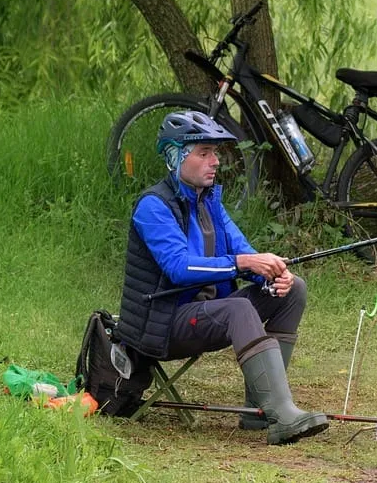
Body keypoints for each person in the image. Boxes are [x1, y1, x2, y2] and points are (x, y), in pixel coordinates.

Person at [116, 110, 328, 445]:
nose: (215, 161)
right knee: (238, 309)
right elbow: (179, 267)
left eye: (215, 152)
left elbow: (244, 252)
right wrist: (244, 263)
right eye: (204, 153)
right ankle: (282, 414)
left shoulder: (210, 202)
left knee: (293, 289)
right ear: (175, 156)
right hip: (162, 324)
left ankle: (258, 413)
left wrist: (271, 275)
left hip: (207, 314)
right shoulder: (153, 206)